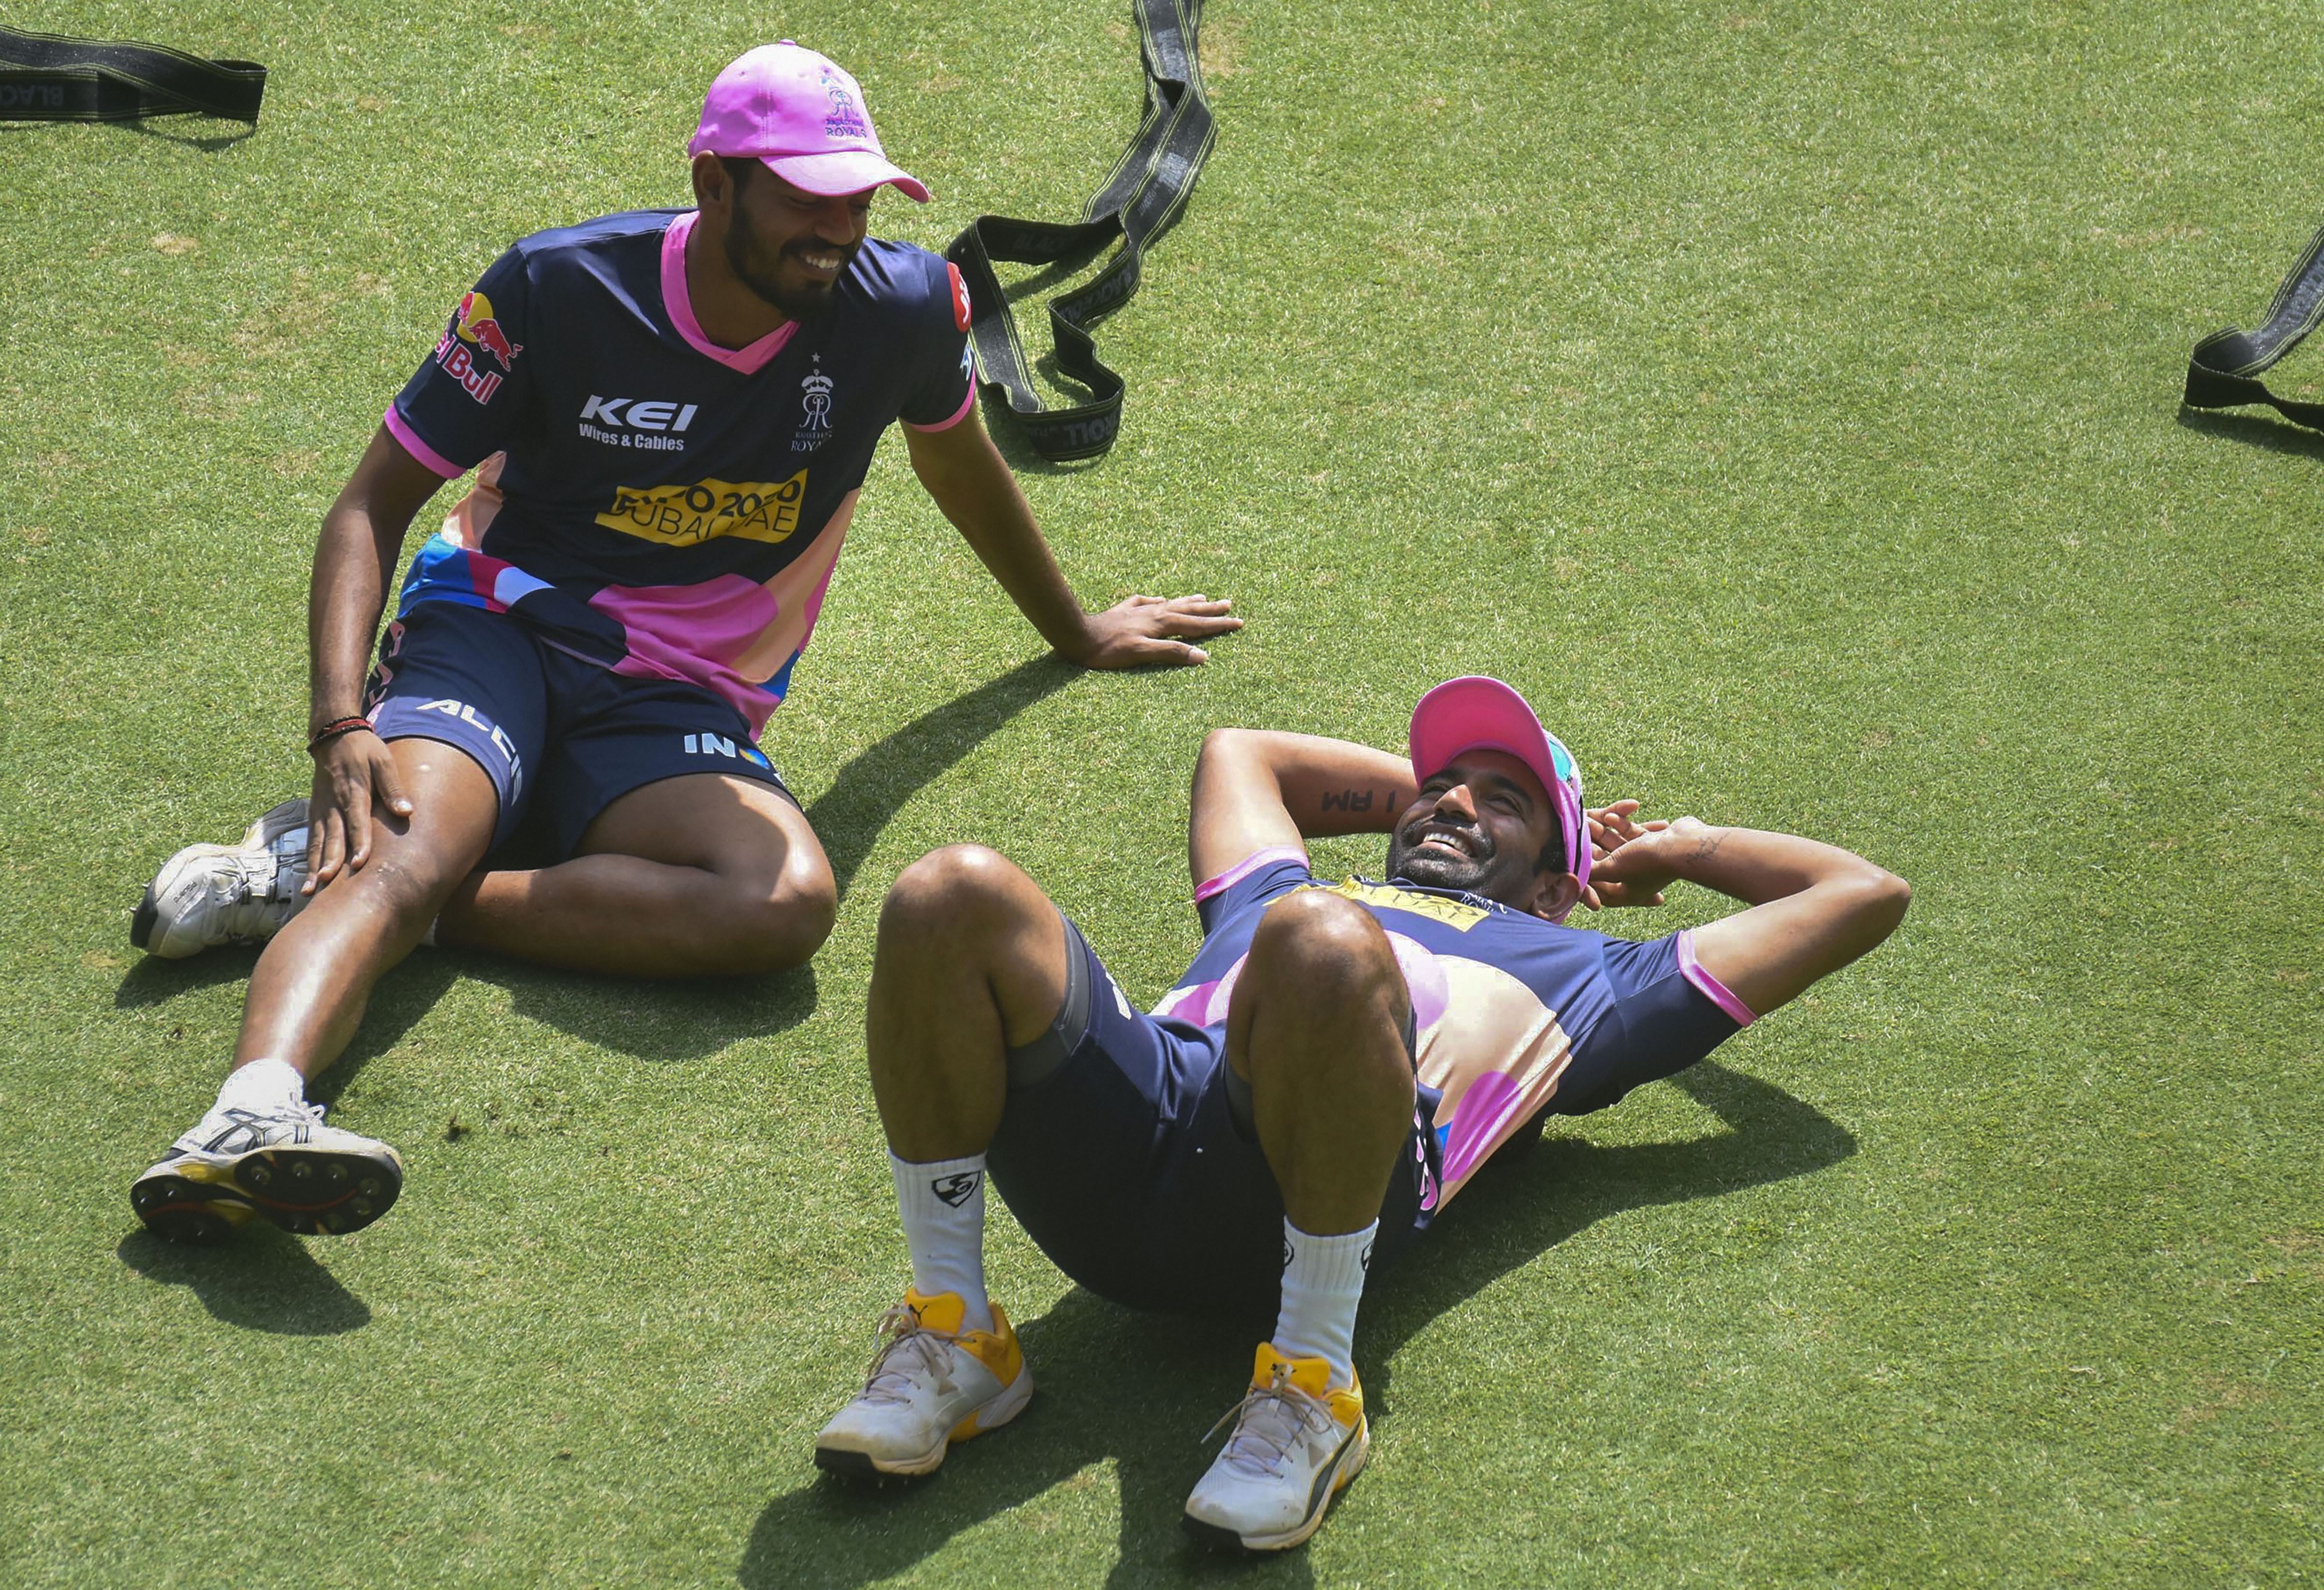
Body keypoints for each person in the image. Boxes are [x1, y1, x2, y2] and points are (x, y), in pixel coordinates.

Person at [125, 42, 1239, 1247]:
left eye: (858, 193)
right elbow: (371, 504)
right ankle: (245, 1118)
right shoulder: (557, 289)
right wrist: (342, 724)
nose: (841, 224)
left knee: (782, 904)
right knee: (401, 854)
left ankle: (357, 881)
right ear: (715, 186)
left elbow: (955, 458)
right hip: (496, 624)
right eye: (808, 195)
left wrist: (1074, 629)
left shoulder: (905, 309)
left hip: (677, 695)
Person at [810, 675, 1910, 1553]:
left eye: (1504, 800)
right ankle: (956, 1330)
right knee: (948, 890)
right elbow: (1245, 752)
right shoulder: (1271, 897)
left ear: (1553, 883)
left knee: (1323, 938)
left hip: (1299, 1205)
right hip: (1134, 1127)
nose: (1453, 801)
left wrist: (1675, 848)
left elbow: (1862, 893)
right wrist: (1446, 797)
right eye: (1445, 783)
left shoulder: (1593, 976)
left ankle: (1311, 1389)